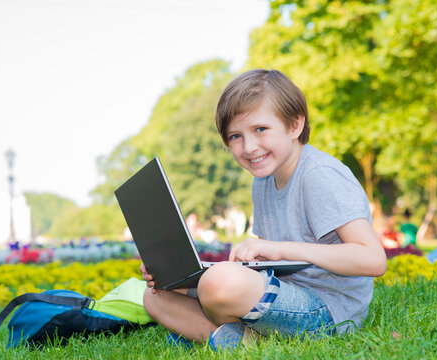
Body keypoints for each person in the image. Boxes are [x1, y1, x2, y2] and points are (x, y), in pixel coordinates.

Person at [140, 69, 387, 350]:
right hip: (282, 291)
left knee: (219, 283)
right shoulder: (264, 180)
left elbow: (372, 259)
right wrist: (179, 273)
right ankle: (242, 341)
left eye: (260, 129)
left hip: (328, 309)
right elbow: (272, 255)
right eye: (235, 136)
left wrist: (282, 249)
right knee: (156, 295)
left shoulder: (319, 175)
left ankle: (220, 335)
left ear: (294, 126)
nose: (249, 147)